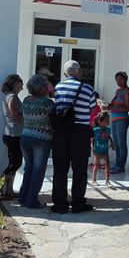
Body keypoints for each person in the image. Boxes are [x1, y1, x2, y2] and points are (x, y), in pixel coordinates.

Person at [52, 60, 96, 214]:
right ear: (79, 72)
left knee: (60, 170)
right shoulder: (88, 89)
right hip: (80, 133)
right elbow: (92, 108)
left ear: (65, 74)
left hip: (61, 133)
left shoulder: (58, 87)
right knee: (79, 170)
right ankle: (78, 203)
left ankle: (59, 204)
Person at [17, 74, 55, 209]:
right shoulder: (47, 103)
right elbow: (53, 120)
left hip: (25, 137)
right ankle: (32, 201)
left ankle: (23, 197)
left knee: (28, 168)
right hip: (42, 139)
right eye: (45, 85)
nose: (48, 87)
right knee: (38, 170)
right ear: (41, 88)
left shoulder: (26, 100)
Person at [0, 74, 24, 200]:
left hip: (13, 134)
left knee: (13, 163)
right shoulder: (12, 97)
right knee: (16, 163)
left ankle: (9, 190)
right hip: (13, 135)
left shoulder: (10, 96)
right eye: (20, 82)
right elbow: (15, 116)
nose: (22, 84)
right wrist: (30, 122)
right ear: (14, 83)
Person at [109, 71, 129, 174]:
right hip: (114, 119)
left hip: (122, 120)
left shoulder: (127, 91)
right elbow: (114, 105)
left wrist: (114, 107)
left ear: (125, 80)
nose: (119, 82)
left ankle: (121, 165)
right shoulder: (118, 91)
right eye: (117, 80)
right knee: (117, 143)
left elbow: (128, 107)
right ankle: (117, 164)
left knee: (122, 143)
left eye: (121, 80)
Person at [91, 112, 115, 186]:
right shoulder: (95, 130)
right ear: (100, 121)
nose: (108, 121)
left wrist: (112, 142)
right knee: (97, 164)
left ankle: (107, 181)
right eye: (106, 120)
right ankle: (94, 180)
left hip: (105, 149)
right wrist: (93, 148)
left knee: (107, 164)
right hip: (97, 150)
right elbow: (92, 140)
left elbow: (108, 136)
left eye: (108, 119)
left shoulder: (108, 129)